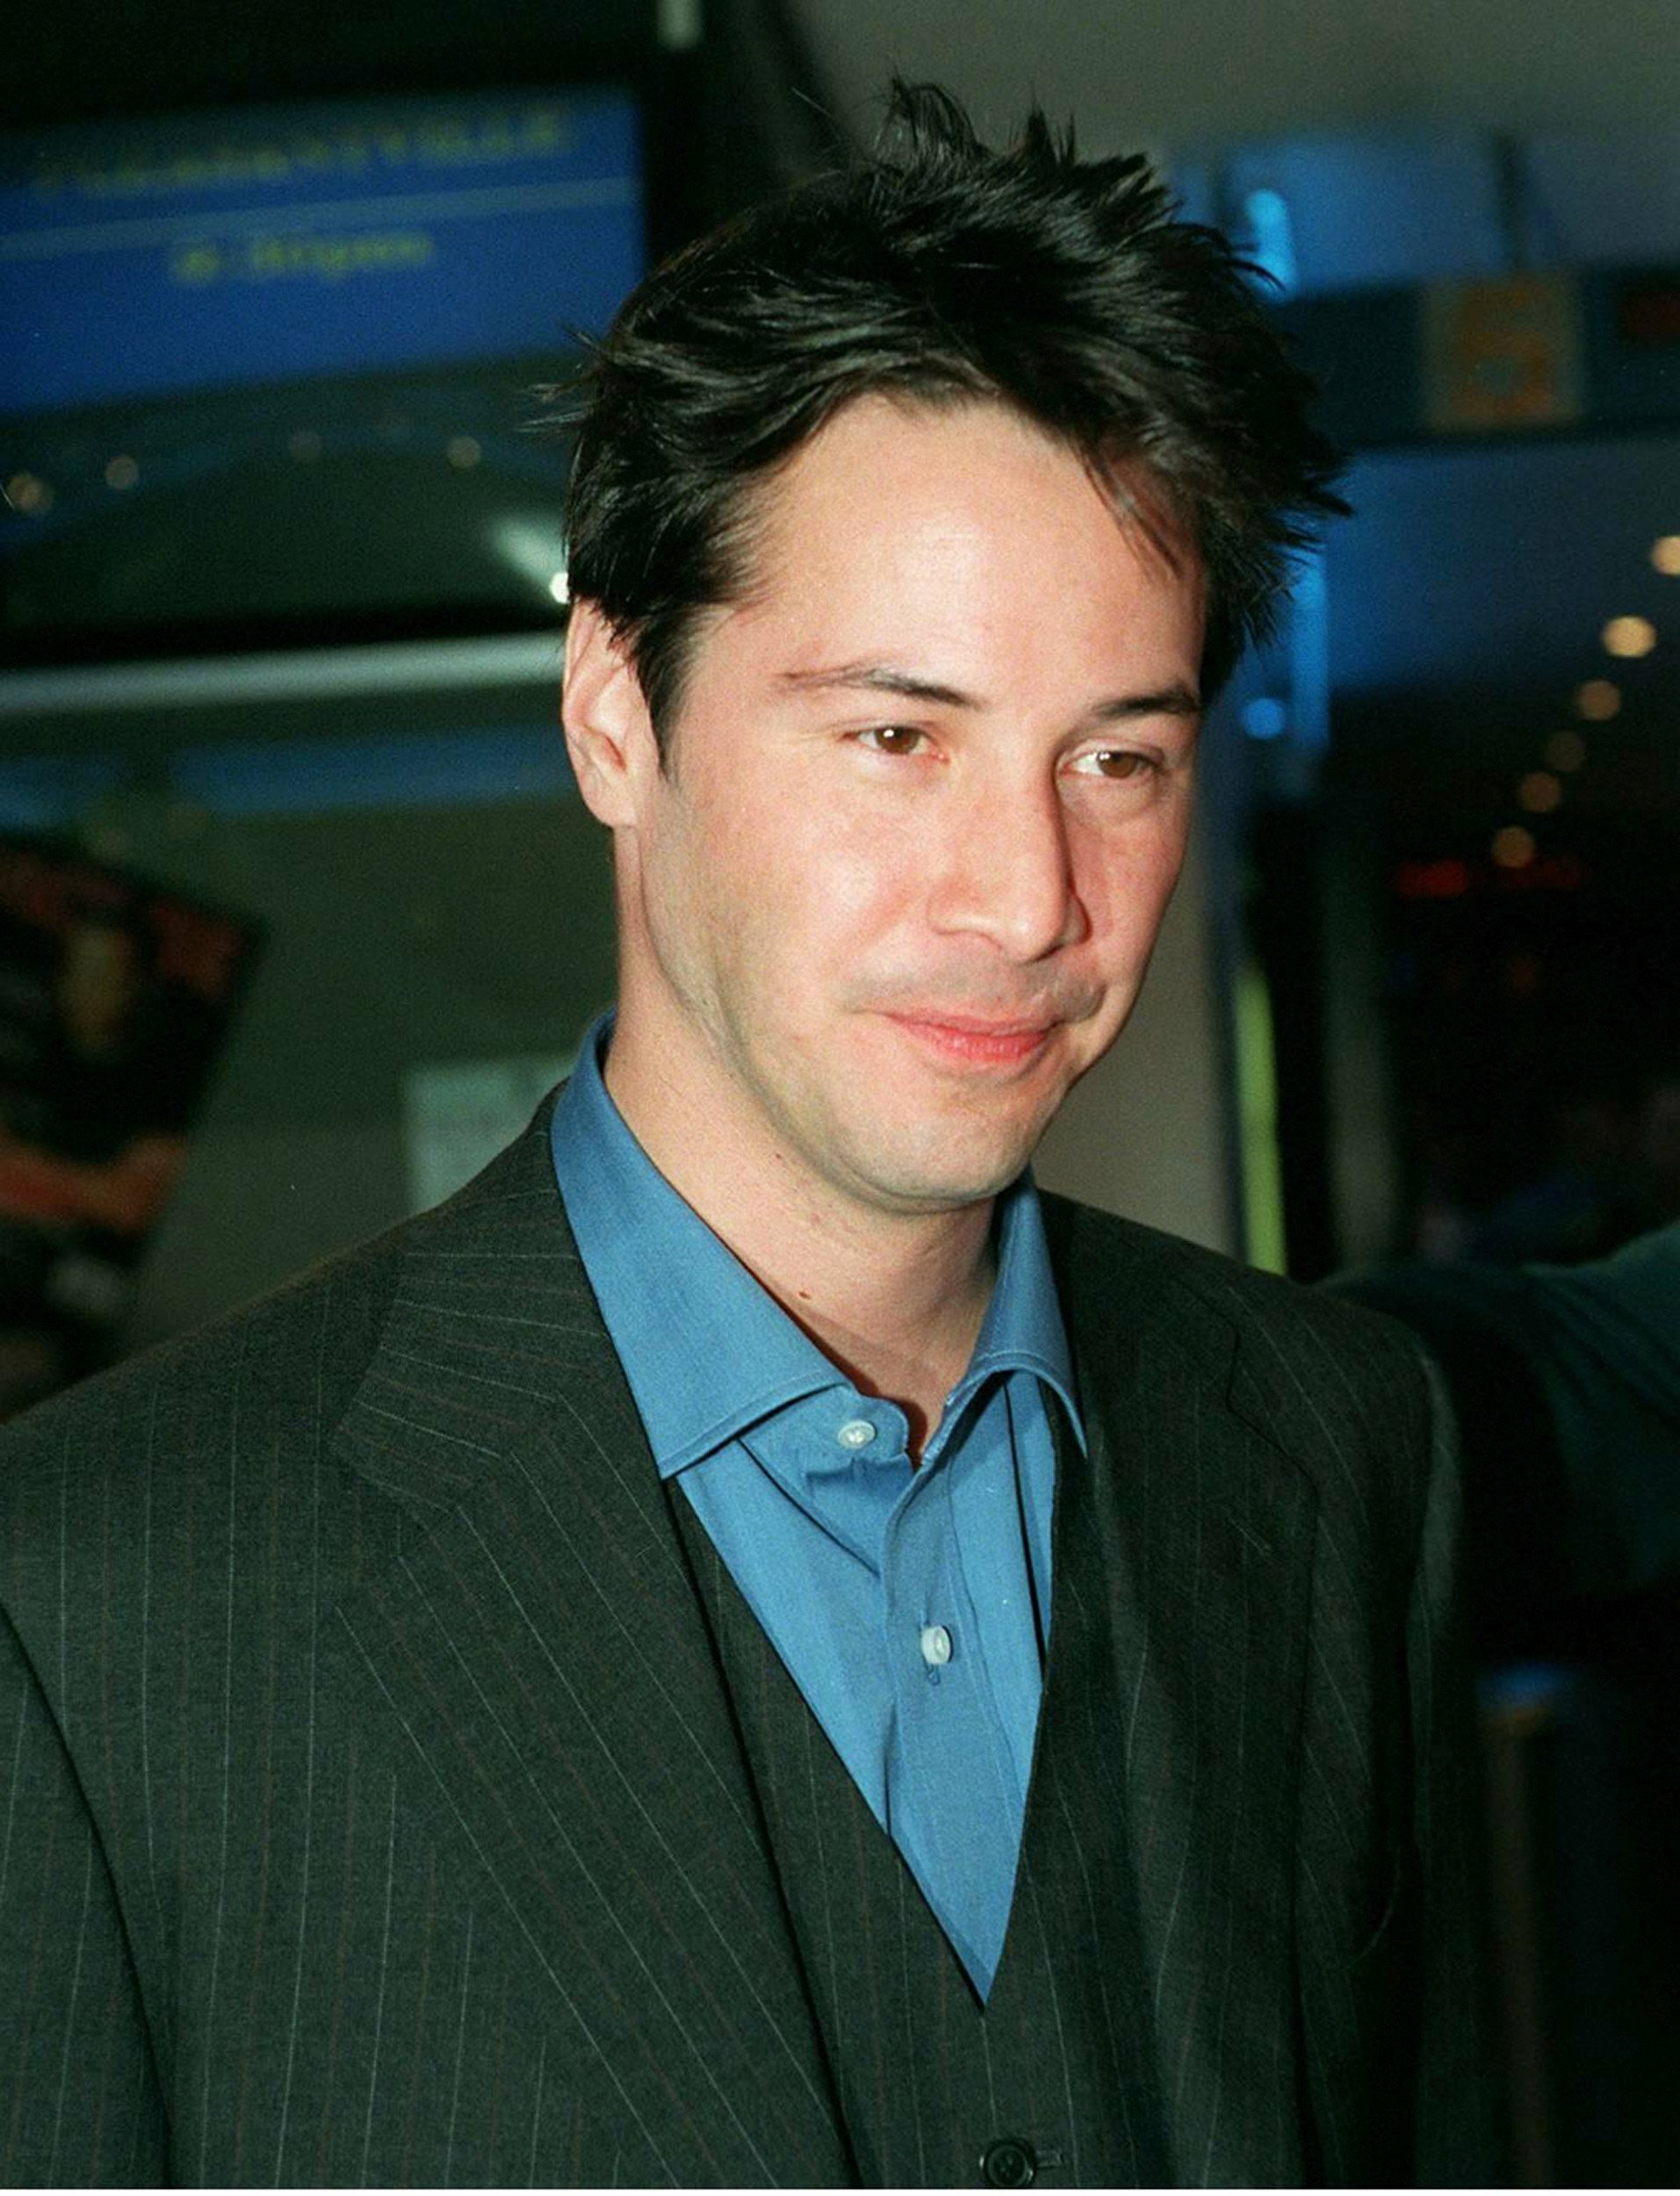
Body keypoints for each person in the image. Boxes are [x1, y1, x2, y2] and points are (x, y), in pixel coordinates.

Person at [0, 85, 1499, 2187]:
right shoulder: (91, 1603)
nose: (1032, 894)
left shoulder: (1338, 1446)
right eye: (899, 736)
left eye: (1121, 760)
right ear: (616, 709)